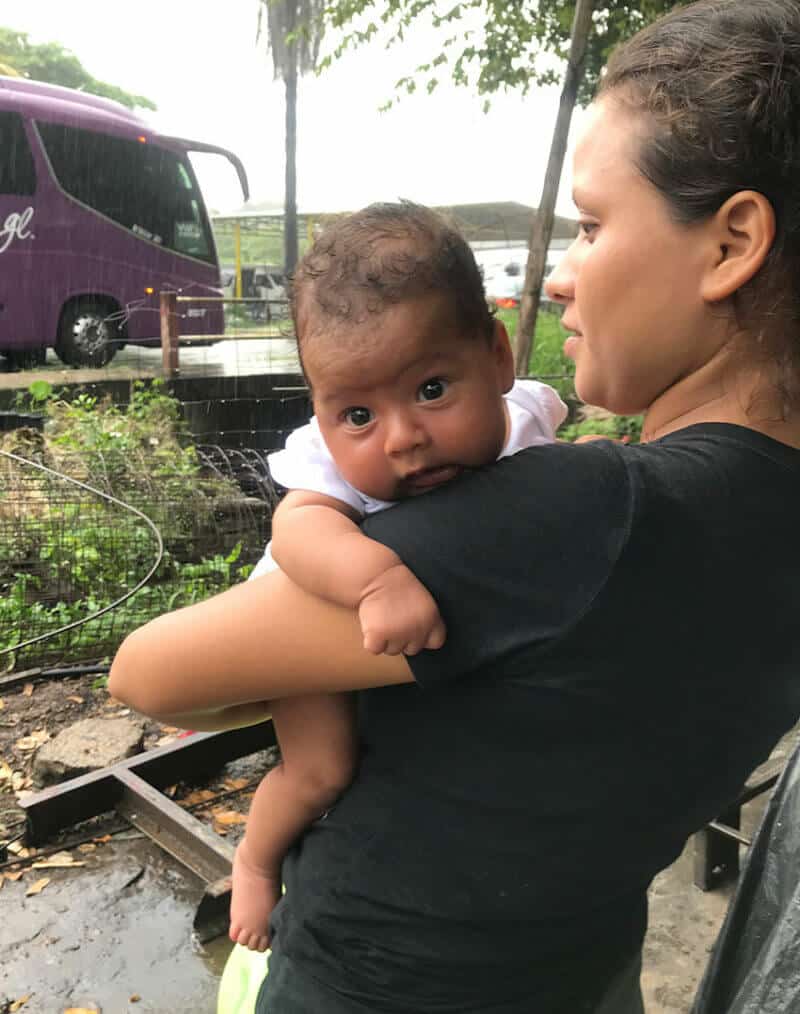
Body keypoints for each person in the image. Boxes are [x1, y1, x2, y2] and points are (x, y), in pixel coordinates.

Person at [109, 1, 800, 1009]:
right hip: (579, 969)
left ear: (730, 241)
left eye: (592, 225)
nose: (559, 276)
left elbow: (149, 671)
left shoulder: (582, 515)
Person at [230, 203, 567, 951]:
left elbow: (557, 437)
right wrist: (375, 580)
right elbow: (297, 533)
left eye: (432, 390)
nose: (402, 438)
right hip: (307, 610)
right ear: (320, 415)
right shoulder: (325, 467)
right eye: (355, 414)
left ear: (498, 359)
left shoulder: (531, 413)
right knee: (322, 768)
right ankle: (254, 862)